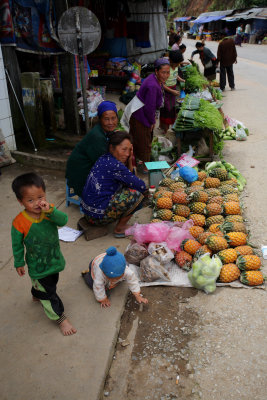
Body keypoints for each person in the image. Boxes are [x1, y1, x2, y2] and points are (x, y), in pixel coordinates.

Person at [11, 173, 76, 336]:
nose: (37, 203)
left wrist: (51, 211)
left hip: (54, 260)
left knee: (51, 284)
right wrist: (19, 262)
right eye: (30, 200)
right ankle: (60, 318)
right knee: (50, 294)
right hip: (37, 266)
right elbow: (17, 245)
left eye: (40, 197)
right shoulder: (19, 222)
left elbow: (63, 220)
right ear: (21, 201)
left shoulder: (49, 211)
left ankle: (36, 293)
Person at [81, 131, 147, 237]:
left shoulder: (104, 158)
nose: (127, 154)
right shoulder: (115, 166)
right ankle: (120, 228)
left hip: (88, 212)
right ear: (112, 148)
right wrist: (130, 161)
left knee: (127, 186)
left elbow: (129, 178)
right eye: (124, 149)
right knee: (138, 194)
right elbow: (141, 185)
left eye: (130, 150)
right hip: (96, 218)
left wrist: (130, 160)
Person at [66, 101, 118, 197]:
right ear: (100, 119)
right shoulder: (97, 136)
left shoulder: (104, 131)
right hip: (81, 172)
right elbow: (104, 165)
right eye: (106, 119)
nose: (111, 122)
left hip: (88, 166)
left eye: (113, 118)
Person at [124, 58, 170, 170]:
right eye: (163, 72)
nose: (166, 75)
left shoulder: (154, 79)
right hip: (140, 114)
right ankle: (144, 167)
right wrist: (152, 122)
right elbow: (150, 108)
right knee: (145, 142)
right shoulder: (153, 86)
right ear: (156, 71)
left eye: (168, 72)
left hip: (138, 111)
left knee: (137, 138)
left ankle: (133, 161)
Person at [82, 246, 148, 308]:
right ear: (104, 273)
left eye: (117, 278)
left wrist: (137, 295)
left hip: (108, 260)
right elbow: (98, 286)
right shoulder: (100, 273)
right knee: (91, 283)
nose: (114, 280)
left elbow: (133, 281)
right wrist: (102, 298)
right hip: (95, 263)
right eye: (110, 278)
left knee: (113, 283)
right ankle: (87, 274)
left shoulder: (127, 271)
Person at [160, 50, 184, 134]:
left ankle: (164, 126)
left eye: (178, 63)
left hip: (173, 90)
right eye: (176, 64)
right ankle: (165, 129)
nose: (177, 65)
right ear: (170, 61)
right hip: (166, 91)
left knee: (172, 109)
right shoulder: (166, 69)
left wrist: (181, 80)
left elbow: (175, 74)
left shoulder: (176, 66)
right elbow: (162, 84)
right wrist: (172, 91)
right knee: (166, 110)